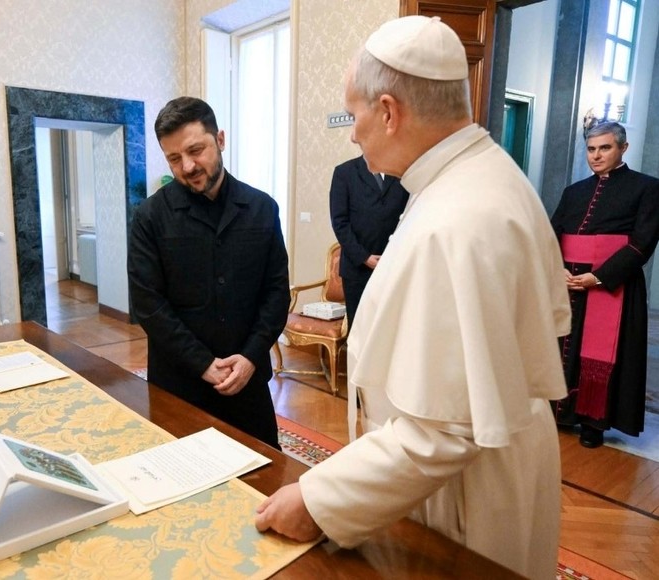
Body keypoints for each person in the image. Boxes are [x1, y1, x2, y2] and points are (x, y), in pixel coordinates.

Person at [254, 16, 571, 578]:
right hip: (482, 469)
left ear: (389, 111)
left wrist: (319, 501)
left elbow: (445, 430)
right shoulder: (481, 177)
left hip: (466, 495)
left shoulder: (459, 217)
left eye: (355, 116)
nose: (352, 134)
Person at [127, 96, 290, 450]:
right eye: (174, 158)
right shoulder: (149, 218)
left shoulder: (262, 209)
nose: (187, 166)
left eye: (195, 150)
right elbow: (148, 304)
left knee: (262, 483)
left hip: (248, 383)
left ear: (220, 139)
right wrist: (203, 363)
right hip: (179, 383)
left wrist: (249, 357)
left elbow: (277, 293)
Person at [550, 121, 659, 448]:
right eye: (591, 149)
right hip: (568, 281)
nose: (596, 156)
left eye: (605, 148)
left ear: (623, 148)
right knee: (563, 348)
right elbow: (552, 235)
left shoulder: (647, 188)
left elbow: (642, 242)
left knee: (601, 353)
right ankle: (562, 413)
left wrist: (599, 277)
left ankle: (592, 423)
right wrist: (557, 270)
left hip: (613, 284)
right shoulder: (574, 191)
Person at [329, 155, 408, 326]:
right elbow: (339, 222)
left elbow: (408, 216)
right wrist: (364, 257)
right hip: (357, 269)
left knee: (389, 329)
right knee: (359, 329)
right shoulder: (344, 172)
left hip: (393, 266)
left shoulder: (400, 170)